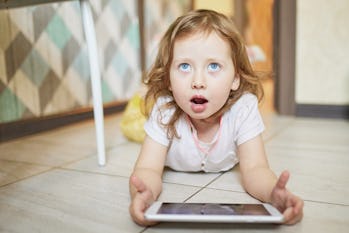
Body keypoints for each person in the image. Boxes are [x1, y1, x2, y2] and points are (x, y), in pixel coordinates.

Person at [129, 9, 303, 226]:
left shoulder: (243, 109)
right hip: (164, 127)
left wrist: (274, 194)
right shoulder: (165, 110)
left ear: (235, 79)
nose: (198, 81)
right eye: (184, 66)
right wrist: (143, 195)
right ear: (168, 81)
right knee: (138, 127)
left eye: (214, 66)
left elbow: (255, 169)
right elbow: (148, 168)